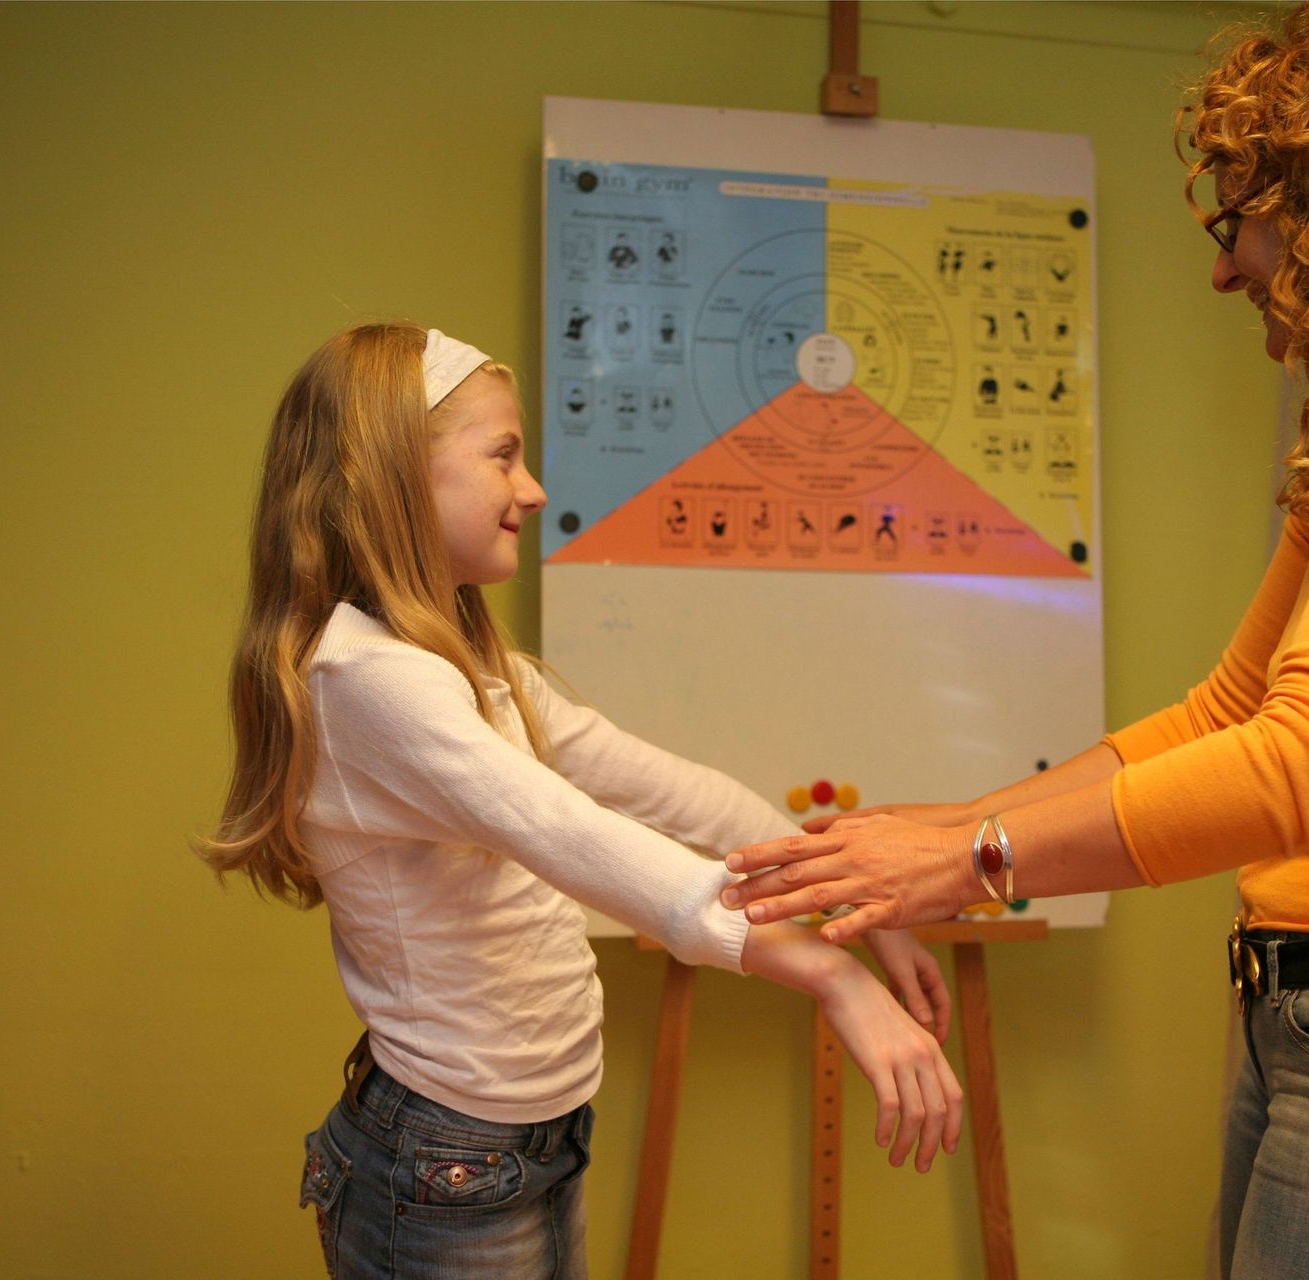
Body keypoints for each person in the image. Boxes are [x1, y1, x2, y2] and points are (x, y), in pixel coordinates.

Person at [719, 4, 1309, 1276]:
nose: (1227, 270)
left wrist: (979, 859)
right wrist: (955, 822)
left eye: (1241, 222)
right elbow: (1232, 709)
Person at [199, 322, 961, 1280]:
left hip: (533, 1144)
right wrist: (829, 973)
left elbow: (681, 795)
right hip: (443, 1169)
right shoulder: (366, 681)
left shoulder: (478, 669)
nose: (534, 490)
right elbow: (572, 835)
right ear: (393, 477)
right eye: (504, 456)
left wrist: (849, 898)